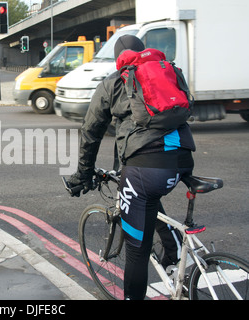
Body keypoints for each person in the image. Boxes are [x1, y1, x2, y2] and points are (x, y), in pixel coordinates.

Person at [66, 35, 196, 300]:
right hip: (182, 162)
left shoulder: (114, 82)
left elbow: (90, 132)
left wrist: (83, 174)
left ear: (119, 60)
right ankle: (175, 260)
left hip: (146, 168)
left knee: (137, 250)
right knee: (148, 199)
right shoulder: (166, 72)